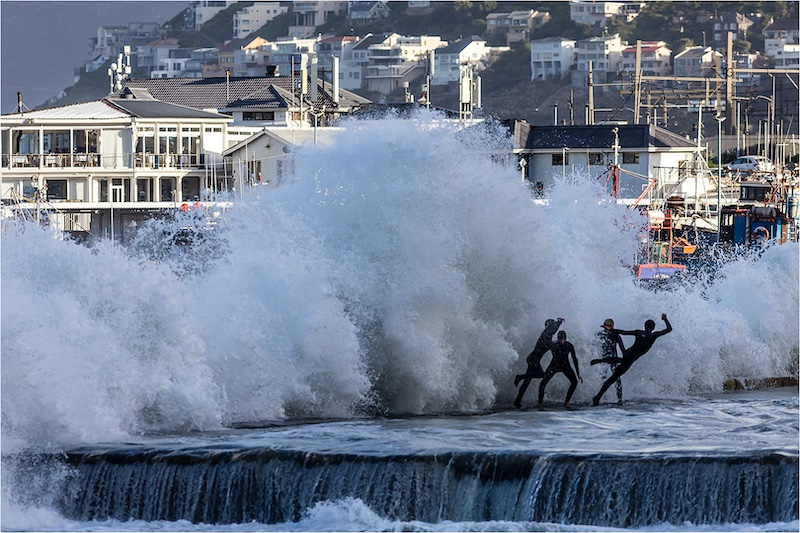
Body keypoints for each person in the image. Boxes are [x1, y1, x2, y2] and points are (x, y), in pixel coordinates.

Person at [591, 314, 672, 406]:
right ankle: (597, 397)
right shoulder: (654, 335)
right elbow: (669, 329)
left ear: (644, 326)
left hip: (628, 353)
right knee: (613, 377)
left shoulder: (638, 332)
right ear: (653, 328)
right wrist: (665, 320)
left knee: (619, 363)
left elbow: (623, 332)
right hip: (631, 358)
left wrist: (612, 329)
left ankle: (599, 362)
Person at [514, 317, 564, 408]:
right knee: (541, 374)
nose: (553, 327)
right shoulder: (545, 336)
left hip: (533, 359)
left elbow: (554, 330)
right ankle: (520, 376)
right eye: (552, 326)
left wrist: (559, 322)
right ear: (548, 327)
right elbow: (550, 344)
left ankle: (517, 401)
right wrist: (557, 342)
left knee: (526, 382)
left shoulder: (547, 334)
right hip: (533, 360)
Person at [538, 330, 582, 408]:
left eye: (563, 339)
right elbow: (542, 351)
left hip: (565, 366)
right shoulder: (553, 345)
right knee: (542, 383)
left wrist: (578, 373)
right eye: (560, 339)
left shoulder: (569, 346)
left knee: (574, 382)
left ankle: (566, 402)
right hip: (554, 365)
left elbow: (574, 359)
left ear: (565, 339)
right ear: (558, 338)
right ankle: (540, 403)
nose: (561, 341)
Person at [594, 318, 626, 404]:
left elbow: (622, 349)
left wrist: (625, 358)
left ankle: (618, 398)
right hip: (608, 359)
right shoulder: (602, 335)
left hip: (610, 359)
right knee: (605, 378)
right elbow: (623, 349)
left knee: (614, 378)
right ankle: (604, 397)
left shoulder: (613, 335)